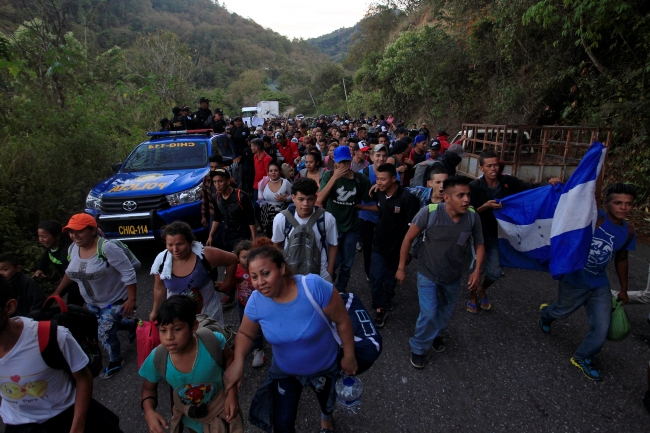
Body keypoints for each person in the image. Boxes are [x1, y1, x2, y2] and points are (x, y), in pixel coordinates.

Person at [223, 245, 357, 433]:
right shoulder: (256, 301)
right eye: (254, 277)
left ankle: (326, 418)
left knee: (326, 401)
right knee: (282, 425)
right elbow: (246, 333)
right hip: (285, 372)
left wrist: (349, 355)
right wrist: (238, 362)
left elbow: (342, 321)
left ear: (282, 268)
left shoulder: (313, 287)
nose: (260, 282)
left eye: (266, 273)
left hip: (324, 367)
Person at [539, 183, 636, 382]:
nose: (623, 207)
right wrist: (559, 185)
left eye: (628, 204)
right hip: (574, 278)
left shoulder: (629, 231)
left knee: (602, 326)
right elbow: (580, 197)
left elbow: (622, 259)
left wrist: (624, 289)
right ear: (607, 204)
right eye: (618, 203)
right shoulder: (594, 217)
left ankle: (582, 356)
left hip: (599, 284)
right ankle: (546, 314)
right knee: (561, 311)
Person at [0, 279, 123, 433]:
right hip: (21, 426)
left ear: (9, 307)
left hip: (67, 417)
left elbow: (83, 378)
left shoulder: (51, 336)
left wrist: (77, 427)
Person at [397, 175, 485, 368]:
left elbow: (479, 244)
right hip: (427, 273)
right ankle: (418, 347)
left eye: (468, 195)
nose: (466, 200)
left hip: (453, 276)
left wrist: (477, 270)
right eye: (460, 195)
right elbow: (408, 239)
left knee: (444, 313)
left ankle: (435, 335)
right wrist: (401, 267)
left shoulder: (472, 217)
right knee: (428, 313)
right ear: (446, 197)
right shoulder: (428, 212)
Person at [468, 150, 560, 313]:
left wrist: (549, 185)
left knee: (495, 272)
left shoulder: (507, 182)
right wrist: (486, 206)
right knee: (477, 267)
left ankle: (482, 288)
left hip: (499, 234)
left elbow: (529, 189)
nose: (493, 169)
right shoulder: (474, 187)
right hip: (479, 235)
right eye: (489, 166)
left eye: (496, 164)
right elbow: (469, 211)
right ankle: (473, 296)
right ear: (481, 168)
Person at [52, 214, 137, 379]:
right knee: (103, 325)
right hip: (92, 302)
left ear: (92, 230)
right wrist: (57, 292)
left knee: (103, 334)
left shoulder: (106, 248)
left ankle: (115, 360)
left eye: (79, 231)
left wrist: (131, 300)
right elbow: (71, 272)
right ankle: (132, 325)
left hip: (114, 301)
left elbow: (128, 272)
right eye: (71, 232)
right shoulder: (73, 248)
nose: (74, 236)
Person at [140, 296, 242, 433]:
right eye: (163, 330)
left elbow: (230, 360)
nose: (169, 337)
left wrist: (232, 393)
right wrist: (149, 413)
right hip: (191, 418)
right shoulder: (158, 357)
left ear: (193, 326)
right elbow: (148, 389)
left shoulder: (212, 341)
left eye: (177, 329)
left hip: (221, 410)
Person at [150, 221, 238, 327]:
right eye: (170, 245)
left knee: (210, 342)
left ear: (190, 242)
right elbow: (159, 288)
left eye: (180, 244)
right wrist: (155, 311)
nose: (175, 250)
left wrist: (226, 285)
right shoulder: (161, 260)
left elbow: (232, 260)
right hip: (179, 317)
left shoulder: (205, 255)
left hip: (209, 314)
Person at [369, 164, 419, 327]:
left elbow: (414, 228)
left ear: (393, 179)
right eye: (377, 178)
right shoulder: (378, 193)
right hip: (378, 244)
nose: (379, 182)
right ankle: (379, 309)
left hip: (397, 248)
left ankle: (387, 298)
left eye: (383, 179)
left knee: (390, 279)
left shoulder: (407, 198)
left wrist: (409, 252)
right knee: (376, 277)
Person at [318, 146, 372, 294]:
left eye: (347, 162)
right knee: (332, 263)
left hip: (351, 228)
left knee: (347, 264)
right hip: (332, 228)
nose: (344, 166)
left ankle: (341, 290)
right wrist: (335, 177)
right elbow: (319, 199)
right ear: (335, 161)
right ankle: (328, 286)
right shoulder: (329, 176)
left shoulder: (360, 179)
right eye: (341, 162)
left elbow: (369, 198)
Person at [272, 177, 339, 282]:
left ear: (315, 198)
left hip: (319, 274)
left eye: (310, 199)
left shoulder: (327, 218)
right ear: (293, 198)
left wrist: (329, 271)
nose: (305, 204)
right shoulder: (281, 219)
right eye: (301, 199)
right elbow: (276, 246)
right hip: (290, 274)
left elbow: (333, 244)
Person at [33, 220, 83, 306]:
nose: (41, 240)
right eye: (39, 236)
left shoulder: (66, 251)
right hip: (69, 280)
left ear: (57, 236)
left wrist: (57, 293)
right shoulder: (52, 246)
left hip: (77, 283)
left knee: (73, 308)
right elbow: (46, 257)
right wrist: (40, 269)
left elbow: (69, 276)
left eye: (44, 237)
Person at [233, 240, 265, 367]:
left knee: (259, 328)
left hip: (260, 303)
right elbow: (229, 283)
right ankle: (248, 346)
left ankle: (258, 349)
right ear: (238, 258)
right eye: (243, 257)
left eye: (249, 256)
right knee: (245, 325)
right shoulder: (235, 269)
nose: (246, 260)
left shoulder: (259, 268)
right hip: (243, 303)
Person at [0, 252, 45, 317]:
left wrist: (25, 321)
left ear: (18, 268)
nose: (1, 273)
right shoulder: (3, 284)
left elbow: (39, 305)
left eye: (5, 269)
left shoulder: (27, 282)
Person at [258, 161, 292, 238]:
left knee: (281, 235)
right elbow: (259, 193)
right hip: (268, 215)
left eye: (276, 170)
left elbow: (292, 196)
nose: (273, 173)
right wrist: (263, 205)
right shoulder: (263, 182)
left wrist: (285, 198)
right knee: (270, 236)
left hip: (281, 214)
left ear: (280, 172)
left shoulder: (286, 183)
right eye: (271, 171)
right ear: (268, 173)